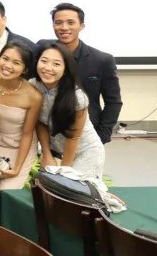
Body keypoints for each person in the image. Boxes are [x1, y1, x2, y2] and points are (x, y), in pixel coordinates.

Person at [39, 3, 122, 144]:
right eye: (58, 23)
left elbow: (113, 101)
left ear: (81, 26)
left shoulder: (102, 60)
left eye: (71, 22)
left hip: (86, 134)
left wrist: (102, 135)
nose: (64, 27)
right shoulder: (42, 48)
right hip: (48, 133)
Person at [0, 42, 42, 219]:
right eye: (5, 58)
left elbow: (27, 134)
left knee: (8, 195)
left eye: (16, 63)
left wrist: (16, 169)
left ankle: (10, 235)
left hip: (20, 147)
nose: (8, 65)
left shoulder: (33, 96)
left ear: (25, 69)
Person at [33, 43, 106, 178]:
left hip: (85, 151)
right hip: (56, 151)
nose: (48, 68)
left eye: (56, 64)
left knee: (71, 187)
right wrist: (46, 153)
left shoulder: (77, 97)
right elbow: (41, 123)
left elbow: (74, 137)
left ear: (66, 69)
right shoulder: (33, 86)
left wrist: (64, 171)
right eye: (44, 61)